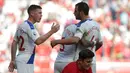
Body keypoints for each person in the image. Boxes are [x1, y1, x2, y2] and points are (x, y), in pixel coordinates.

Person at [51, 2, 103, 73]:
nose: (74, 13)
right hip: (92, 61)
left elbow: (75, 40)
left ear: (81, 12)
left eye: (75, 11)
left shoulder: (81, 25)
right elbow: (100, 43)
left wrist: (56, 41)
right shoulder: (96, 24)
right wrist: (91, 51)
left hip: (82, 62)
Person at [8, 4, 60, 73]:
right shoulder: (29, 26)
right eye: (39, 13)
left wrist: (13, 60)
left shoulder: (22, 25)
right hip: (26, 59)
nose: (41, 15)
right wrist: (52, 31)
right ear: (32, 13)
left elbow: (14, 42)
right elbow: (38, 41)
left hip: (22, 57)